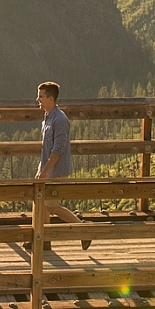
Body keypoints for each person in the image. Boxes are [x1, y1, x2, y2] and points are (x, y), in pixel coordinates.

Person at [36, 81, 86, 241]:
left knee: (51, 206)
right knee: (41, 204)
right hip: (46, 169)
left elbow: (59, 148)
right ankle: (43, 240)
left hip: (55, 171)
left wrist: (45, 171)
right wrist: (41, 169)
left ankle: (82, 229)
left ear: (50, 99)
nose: (38, 99)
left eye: (41, 96)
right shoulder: (48, 117)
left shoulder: (60, 119)